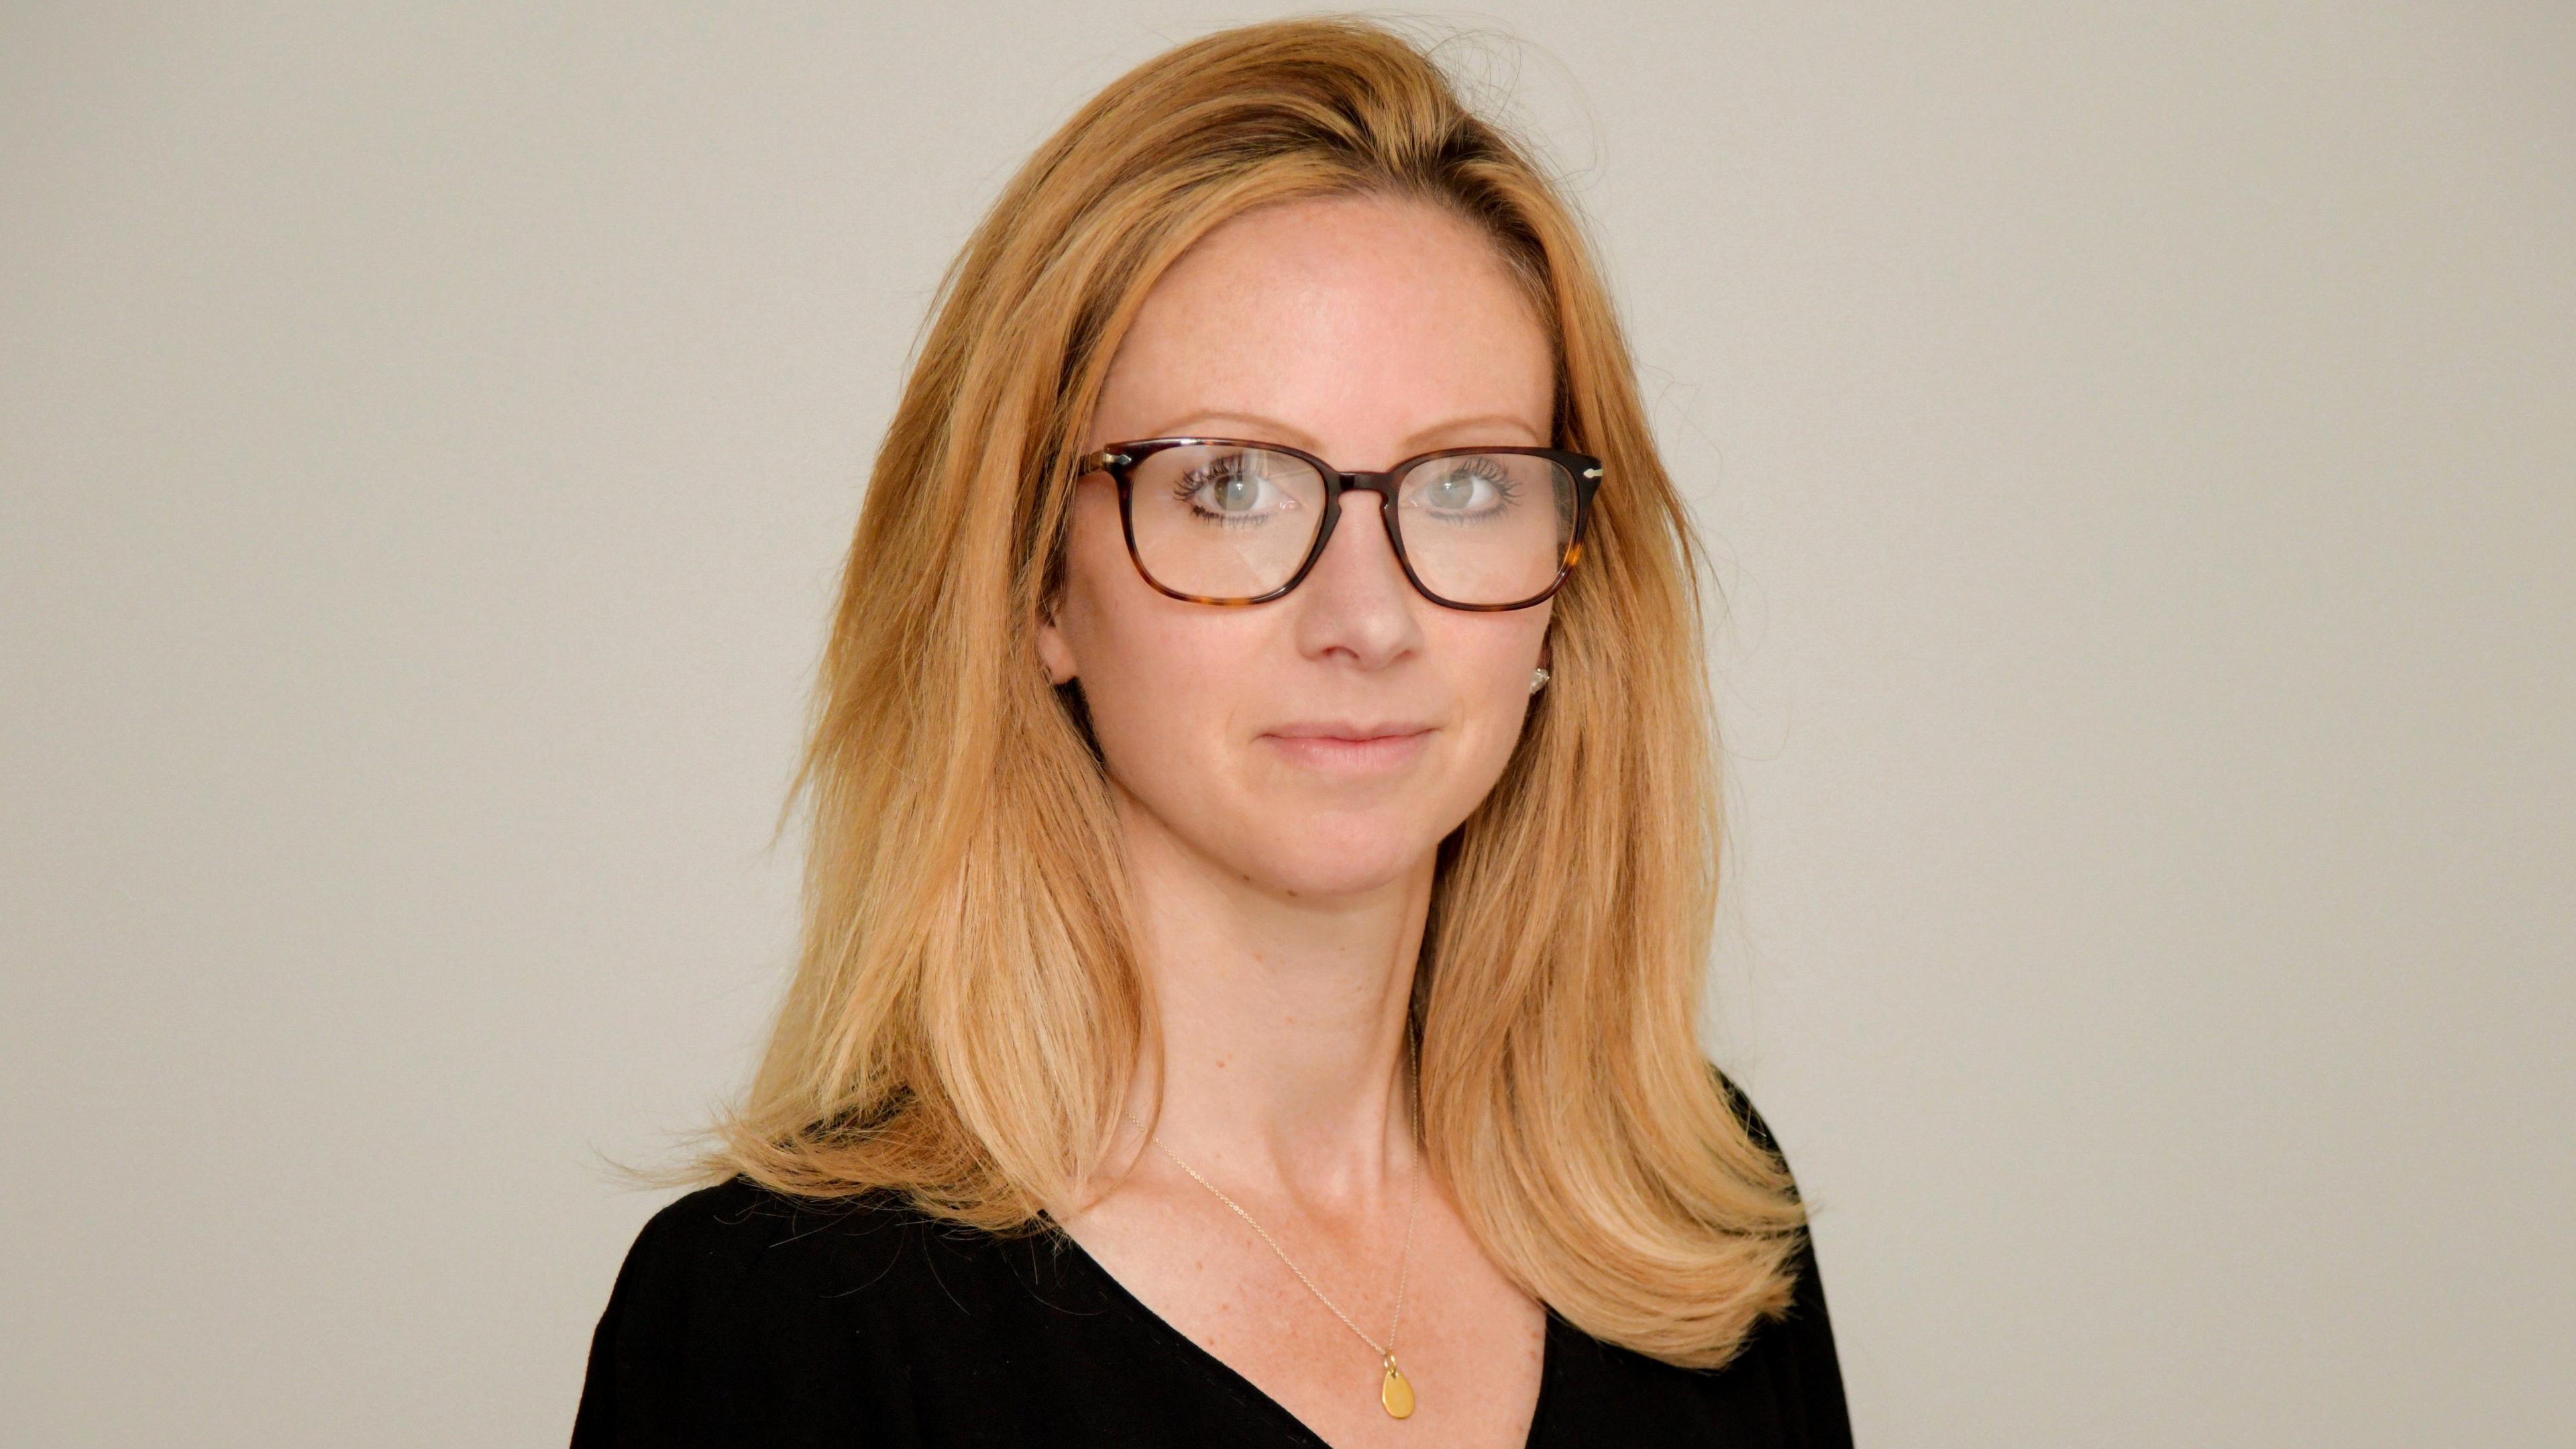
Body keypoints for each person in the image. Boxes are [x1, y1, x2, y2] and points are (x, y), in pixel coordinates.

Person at [573, 15, 1850, 1448]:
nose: (1365, 622)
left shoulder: (1694, 1220)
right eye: (1232, 485)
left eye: (1469, 487)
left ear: (1566, 580)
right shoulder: (778, 1326)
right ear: (1038, 584)